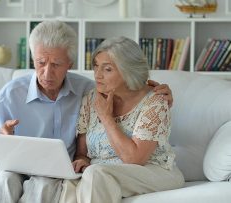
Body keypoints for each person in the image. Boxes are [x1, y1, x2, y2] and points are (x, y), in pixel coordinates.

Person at [0, 21, 174, 203]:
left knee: (46, 183)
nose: (46, 73)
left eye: (55, 64)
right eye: (40, 62)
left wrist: (153, 91)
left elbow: (130, 88)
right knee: (5, 179)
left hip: (60, 176)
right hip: (17, 170)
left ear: (70, 64)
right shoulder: (11, 94)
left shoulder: (87, 90)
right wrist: (2, 140)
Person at [59, 37, 185, 203]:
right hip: (102, 174)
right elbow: (82, 153)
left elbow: (134, 159)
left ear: (128, 71)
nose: (97, 75)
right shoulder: (90, 99)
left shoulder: (155, 100)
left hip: (151, 171)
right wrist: (82, 161)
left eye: (108, 69)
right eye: (96, 65)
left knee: (95, 174)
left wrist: (106, 117)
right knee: (69, 185)